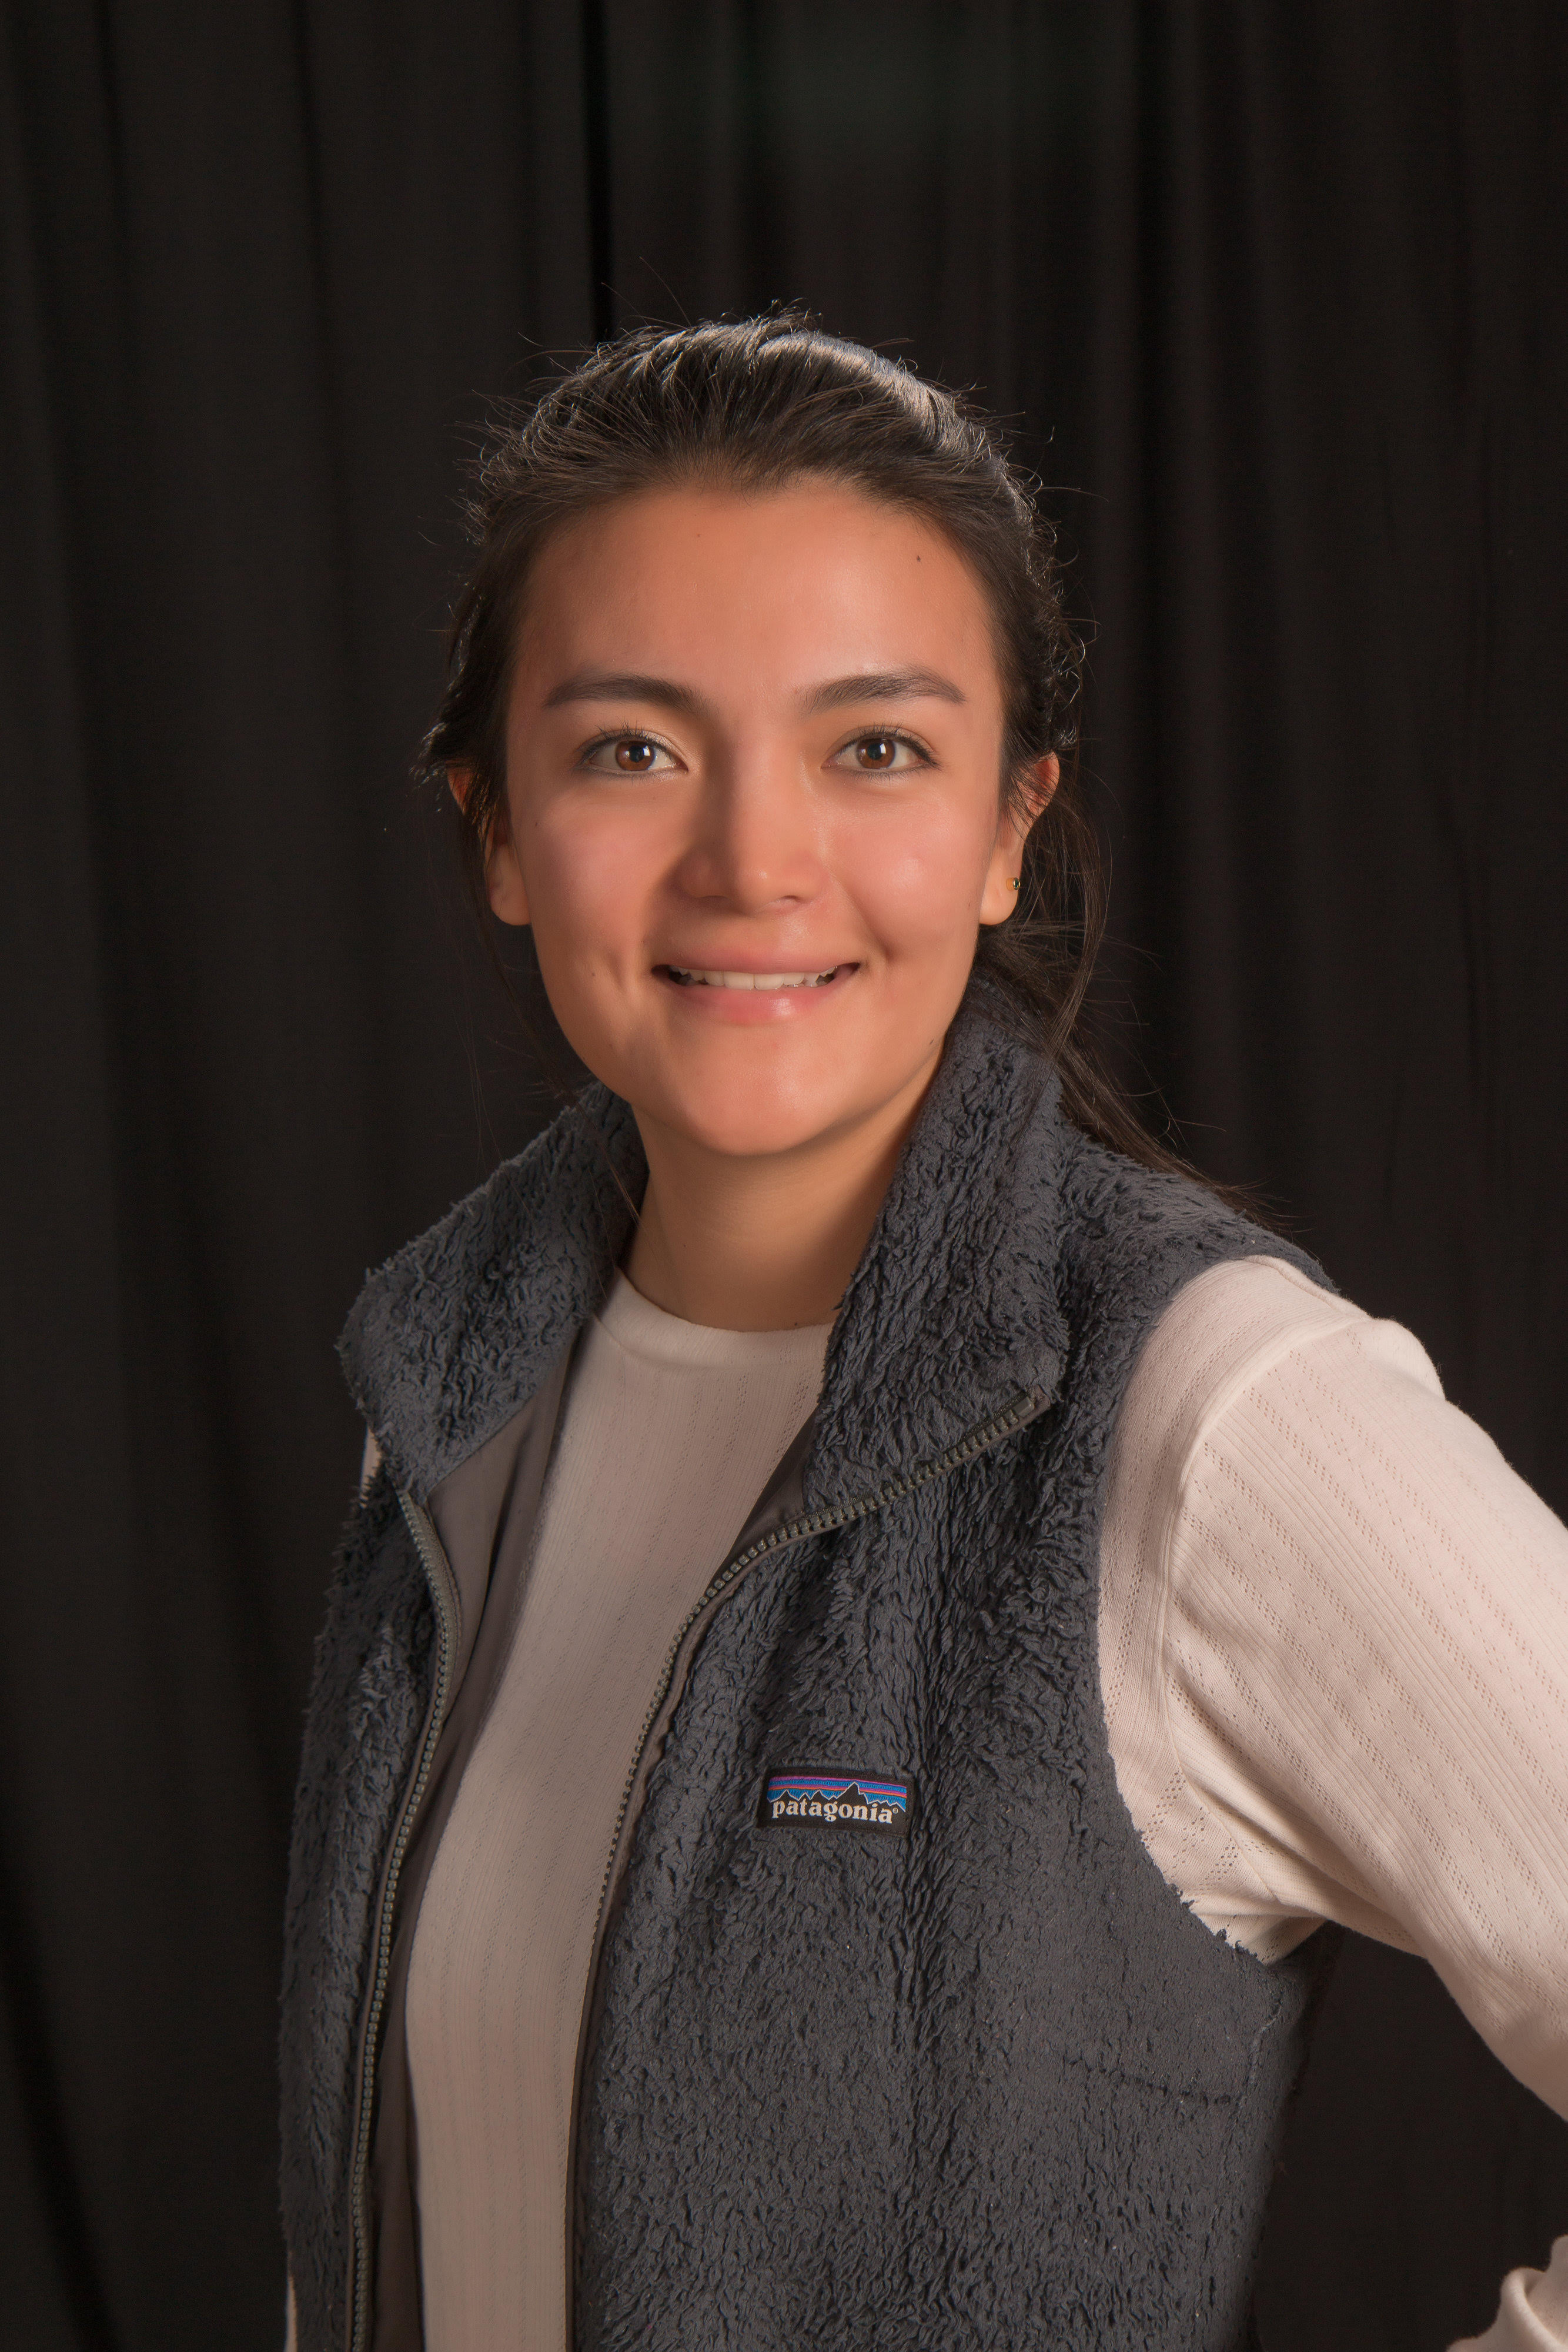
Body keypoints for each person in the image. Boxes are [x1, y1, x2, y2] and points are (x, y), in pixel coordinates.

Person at [278, 315, 1568, 2352]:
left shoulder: (1204, 1412)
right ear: (496, 827)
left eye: (872, 747)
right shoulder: (445, 1406)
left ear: (1006, 827)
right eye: (632, 747)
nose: (752, 861)